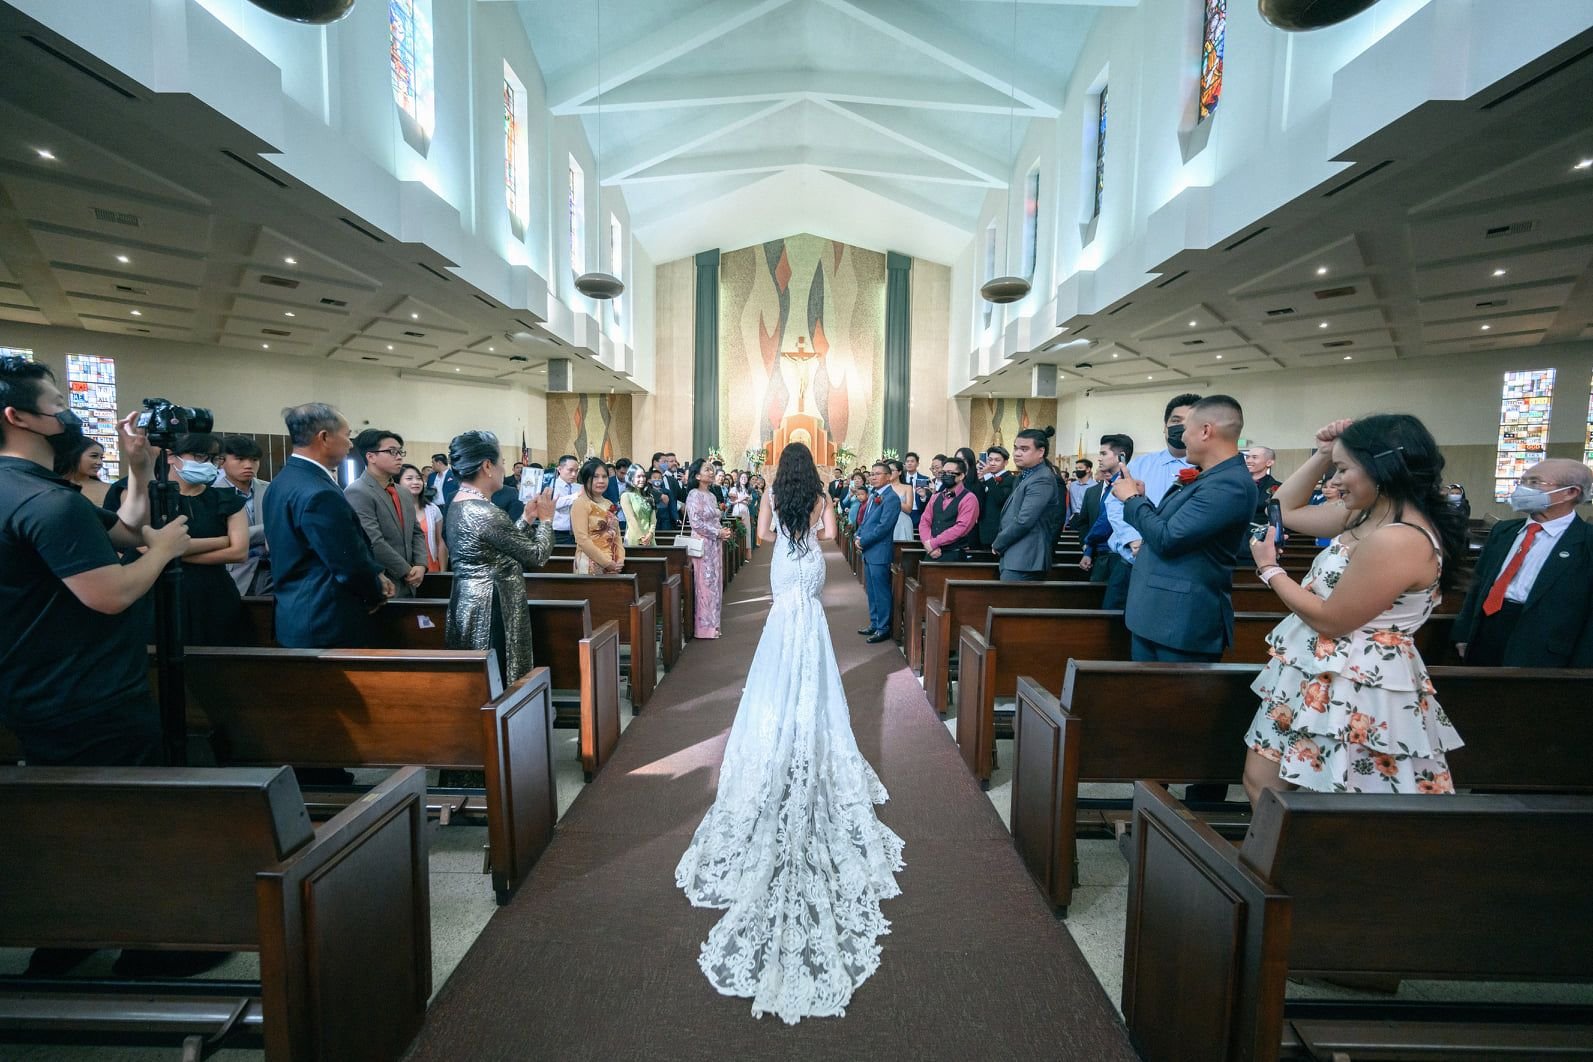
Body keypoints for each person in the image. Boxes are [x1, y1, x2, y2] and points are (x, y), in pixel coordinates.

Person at [675, 440, 903, 1025]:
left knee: (779, 642)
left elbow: (765, 538)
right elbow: (828, 536)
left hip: (784, 574)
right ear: (814, 470)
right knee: (813, 639)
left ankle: (779, 721)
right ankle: (810, 721)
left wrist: (781, 522)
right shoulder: (821, 498)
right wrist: (817, 516)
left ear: (782, 471)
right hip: (810, 573)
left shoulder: (773, 496)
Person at [1244, 415, 1467, 802]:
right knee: (1263, 784)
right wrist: (1324, 453)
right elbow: (1282, 507)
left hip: (1357, 682)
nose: (1335, 480)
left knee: (1334, 796)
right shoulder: (1363, 514)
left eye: (1344, 469)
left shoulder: (1399, 539)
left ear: (1382, 468)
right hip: (1315, 670)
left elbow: (1332, 620)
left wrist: (1270, 569)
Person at [0, 355, 190, 767]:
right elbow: (111, 595)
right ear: (18, 417)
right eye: (57, 404)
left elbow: (126, 529)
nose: (69, 414)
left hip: (35, 686)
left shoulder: (24, 488)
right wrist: (163, 550)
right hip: (86, 695)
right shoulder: (48, 502)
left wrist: (139, 469)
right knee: (120, 799)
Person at [1112, 395, 1257, 661]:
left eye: (1186, 430)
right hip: (1159, 615)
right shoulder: (1210, 476)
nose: (1183, 438)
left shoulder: (1228, 484)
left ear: (1205, 431)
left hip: (1179, 621)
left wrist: (1132, 500)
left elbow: (1169, 538)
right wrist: (1143, 500)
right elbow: (1176, 527)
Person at [265, 403, 393, 649]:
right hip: (325, 620)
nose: (350, 444)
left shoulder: (282, 481)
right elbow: (347, 564)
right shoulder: (318, 491)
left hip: (294, 612)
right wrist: (374, 591)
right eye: (347, 435)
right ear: (324, 437)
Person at [1452, 458, 1592, 667]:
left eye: (1534, 482)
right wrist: (1463, 633)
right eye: (1522, 481)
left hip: (1542, 648)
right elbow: (1478, 585)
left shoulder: (1587, 542)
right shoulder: (1504, 531)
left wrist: (1582, 670)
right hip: (1487, 632)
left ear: (1570, 492)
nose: (1523, 489)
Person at [443, 430, 556, 683]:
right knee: (498, 676)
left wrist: (526, 518)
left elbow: (498, 547)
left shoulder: (460, 502)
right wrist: (547, 520)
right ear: (487, 466)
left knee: (482, 678)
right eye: (502, 462)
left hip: (471, 599)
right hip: (492, 604)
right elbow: (536, 556)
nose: (503, 468)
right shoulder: (484, 511)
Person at [157, 433, 249, 646]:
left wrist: (169, 554)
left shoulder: (227, 499)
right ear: (170, 456)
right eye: (200, 456)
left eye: (214, 459)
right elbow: (144, 547)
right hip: (161, 594)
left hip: (214, 594)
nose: (208, 464)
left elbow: (239, 552)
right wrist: (222, 541)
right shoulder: (153, 497)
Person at [345, 429, 426, 599]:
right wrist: (406, 570)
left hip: (411, 581)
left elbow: (416, 532)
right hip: (382, 582)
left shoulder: (403, 492)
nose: (399, 457)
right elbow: (373, 541)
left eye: (400, 452)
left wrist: (420, 564)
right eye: (392, 452)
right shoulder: (358, 491)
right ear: (371, 457)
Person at [991, 428, 1063, 582]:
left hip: (1026, 558)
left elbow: (1024, 520)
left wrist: (998, 543)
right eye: (1016, 448)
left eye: (1024, 449)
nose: (1017, 453)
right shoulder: (1027, 475)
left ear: (1040, 451)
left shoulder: (1042, 478)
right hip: (1017, 555)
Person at [218, 435, 272, 595]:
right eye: (240, 459)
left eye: (254, 460)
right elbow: (220, 537)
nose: (248, 465)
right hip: (234, 573)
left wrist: (241, 535)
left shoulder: (271, 489)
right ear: (221, 461)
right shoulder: (212, 493)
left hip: (272, 571)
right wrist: (268, 529)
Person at [686, 457, 733, 638]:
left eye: (712, 469)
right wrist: (717, 532)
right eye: (707, 469)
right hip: (702, 544)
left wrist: (722, 531)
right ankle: (703, 628)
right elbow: (696, 523)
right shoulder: (693, 495)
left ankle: (714, 624)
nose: (711, 472)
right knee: (704, 583)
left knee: (715, 582)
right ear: (697, 475)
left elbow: (714, 519)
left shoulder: (712, 496)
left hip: (715, 544)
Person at [855, 460, 901, 642]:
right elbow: (866, 520)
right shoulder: (874, 495)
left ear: (888, 477)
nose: (873, 477)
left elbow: (884, 527)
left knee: (881, 592)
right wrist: (858, 535)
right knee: (872, 590)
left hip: (880, 551)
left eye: (877, 474)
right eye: (872, 474)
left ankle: (883, 628)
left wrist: (863, 540)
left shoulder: (891, 498)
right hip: (869, 550)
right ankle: (874, 623)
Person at [1128, 393, 1201, 505]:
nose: (1182, 426)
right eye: (1176, 421)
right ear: (1165, 427)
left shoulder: (1209, 468)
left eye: (1190, 422)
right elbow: (1115, 504)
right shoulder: (1138, 465)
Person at [918, 455, 979, 562]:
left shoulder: (969, 498)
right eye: (943, 473)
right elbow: (924, 521)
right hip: (931, 553)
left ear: (961, 476)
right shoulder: (935, 497)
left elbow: (962, 527)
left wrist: (934, 543)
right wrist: (928, 544)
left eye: (950, 473)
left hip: (954, 554)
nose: (945, 476)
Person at [571, 457, 625, 574]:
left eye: (604, 476)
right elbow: (582, 539)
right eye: (595, 477)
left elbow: (617, 536)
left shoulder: (609, 503)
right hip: (589, 563)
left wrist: (620, 559)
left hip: (612, 561)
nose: (601, 481)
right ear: (585, 479)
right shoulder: (580, 503)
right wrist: (606, 563)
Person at [399, 463, 447, 572]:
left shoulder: (432, 509)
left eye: (418, 478)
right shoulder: (392, 508)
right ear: (398, 482)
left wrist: (443, 572)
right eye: (409, 478)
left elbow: (441, 542)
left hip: (431, 568)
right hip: (404, 570)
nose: (416, 482)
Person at [969, 445, 1013, 549]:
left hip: (996, 532)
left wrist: (988, 476)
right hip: (978, 531)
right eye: (990, 460)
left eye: (997, 460)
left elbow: (1000, 499)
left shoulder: (1010, 479)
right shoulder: (983, 478)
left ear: (1005, 462)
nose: (992, 463)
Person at [57, 436, 110, 507]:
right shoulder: (52, 486)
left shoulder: (109, 489)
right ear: (74, 455)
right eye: (94, 456)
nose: (100, 462)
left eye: (101, 458)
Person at [1244, 444, 1281, 524]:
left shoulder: (1277, 487)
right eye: (1247, 457)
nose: (1248, 461)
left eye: (1254, 457)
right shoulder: (1235, 483)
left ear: (1269, 463)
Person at [621, 464, 656, 547]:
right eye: (638, 476)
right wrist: (641, 538)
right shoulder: (626, 496)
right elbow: (630, 519)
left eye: (643, 476)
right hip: (634, 537)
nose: (642, 479)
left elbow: (653, 518)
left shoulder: (649, 496)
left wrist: (650, 533)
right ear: (631, 478)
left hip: (649, 538)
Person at [549, 454, 581, 545]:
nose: (574, 474)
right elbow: (555, 504)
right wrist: (577, 495)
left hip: (578, 534)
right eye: (570, 470)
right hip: (558, 534)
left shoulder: (579, 487)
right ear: (559, 469)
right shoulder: (552, 485)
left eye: (576, 471)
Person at [903, 451, 931, 535]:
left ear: (917, 464)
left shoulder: (924, 479)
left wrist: (923, 497)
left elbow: (928, 499)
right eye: (907, 461)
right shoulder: (901, 479)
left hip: (918, 512)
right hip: (903, 511)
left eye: (912, 461)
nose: (909, 463)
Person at [727, 472, 753, 560]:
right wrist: (743, 498)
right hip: (737, 510)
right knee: (737, 530)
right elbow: (732, 501)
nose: (744, 479)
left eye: (745, 478)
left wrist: (741, 499)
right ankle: (736, 554)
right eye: (742, 477)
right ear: (739, 479)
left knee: (747, 531)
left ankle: (747, 553)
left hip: (745, 510)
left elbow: (749, 501)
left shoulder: (748, 489)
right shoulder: (734, 488)